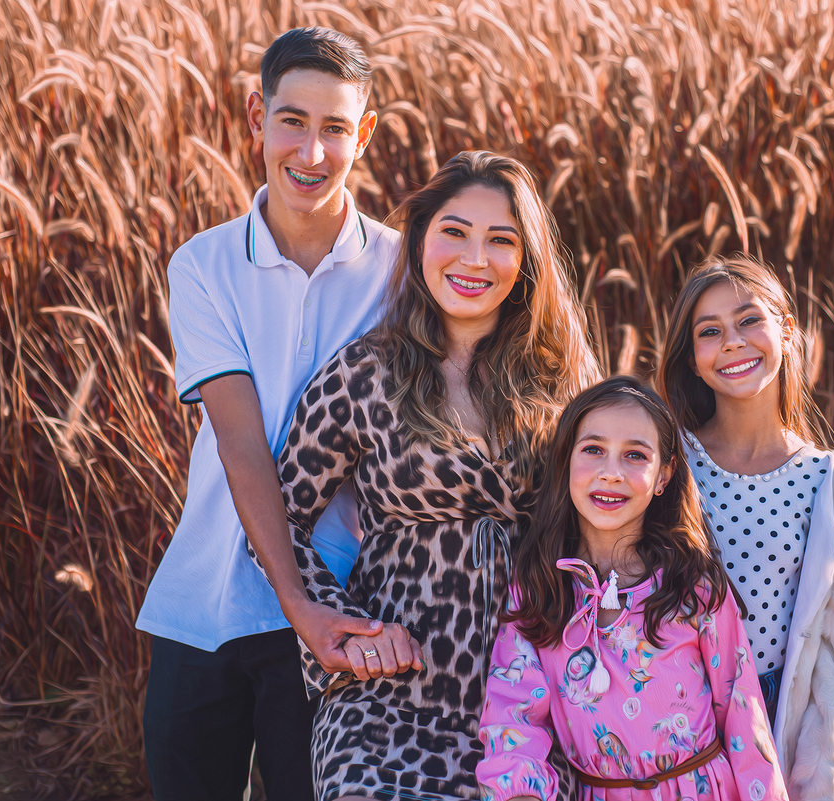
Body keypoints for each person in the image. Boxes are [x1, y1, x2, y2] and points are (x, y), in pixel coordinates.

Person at [264, 150, 601, 801]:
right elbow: (277, 514)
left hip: (527, 706)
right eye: (455, 231)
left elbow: (617, 516)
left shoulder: (563, 379)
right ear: (419, 238)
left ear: (526, 260)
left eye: (501, 240)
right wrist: (336, 623)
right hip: (386, 703)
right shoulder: (367, 372)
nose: (475, 258)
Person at [136, 27, 399, 801]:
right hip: (207, 601)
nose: (311, 152)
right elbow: (243, 443)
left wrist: (319, 613)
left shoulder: (403, 269)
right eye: (291, 120)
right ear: (256, 117)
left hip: (350, 608)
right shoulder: (205, 263)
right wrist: (294, 601)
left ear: (367, 133)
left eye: (335, 129)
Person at [476, 376, 789, 801]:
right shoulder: (539, 591)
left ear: (664, 476)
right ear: (565, 460)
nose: (611, 473)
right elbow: (512, 717)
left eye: (635, 456)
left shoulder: (692, 586)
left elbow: (742, 710)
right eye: (593, 450)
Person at [655, 256, 834, 801]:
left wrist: (820, 786)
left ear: (787, 329)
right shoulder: (663, 460)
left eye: (748, 320)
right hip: (663, 711)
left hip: (773, 714)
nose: (732, 342)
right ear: (693, 359)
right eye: (710, 332)